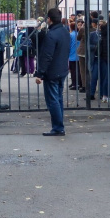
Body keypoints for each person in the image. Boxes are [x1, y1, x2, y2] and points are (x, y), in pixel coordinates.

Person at [35, 8, 71, 136]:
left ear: (49, 19)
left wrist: (40, 73)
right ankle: (59, 125)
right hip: (62, 70)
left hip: (52, 71)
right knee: (58, 98)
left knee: (53, 100)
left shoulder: (51, 34)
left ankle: (58, 127)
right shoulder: (65, 32)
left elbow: (47, 56)